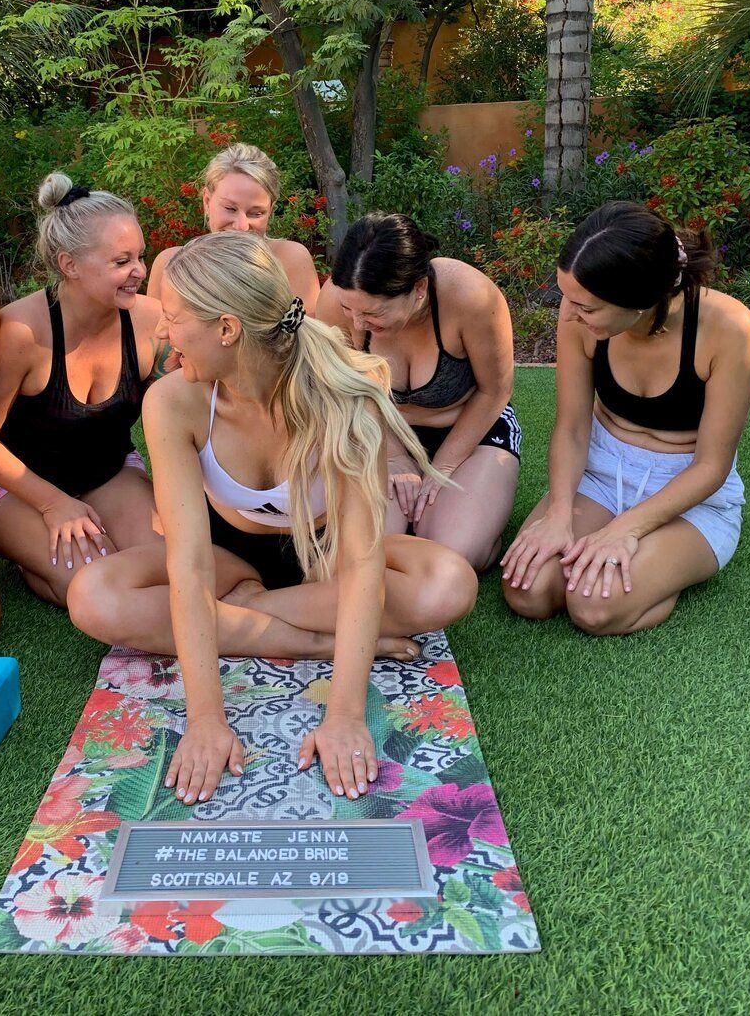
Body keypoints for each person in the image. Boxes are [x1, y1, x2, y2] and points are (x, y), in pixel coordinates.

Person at [67, 231, 477, 805]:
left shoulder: (348, 393)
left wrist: (344, 714)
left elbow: (361, 564)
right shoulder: (174, 401)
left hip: (325, 562)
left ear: (227, 329)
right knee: (93, 596)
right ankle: (310, 640)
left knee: (449, 584)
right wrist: (207, 720)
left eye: (175, 318)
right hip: (231, 559)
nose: (161, 331)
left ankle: (254, 620)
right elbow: (188, 566)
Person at [502, 201, 750, 634]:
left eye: (585, 306)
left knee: (592, 607)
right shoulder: (580, 321)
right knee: (528, 590)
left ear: (641, 301)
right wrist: (559, 514)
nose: (567, 314)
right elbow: (571, 428)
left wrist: (628, 529)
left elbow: (712, 466)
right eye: (566, 297)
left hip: (691, 498)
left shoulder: (729, 329)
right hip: (601, 474)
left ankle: (663, 573)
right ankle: (629, 560)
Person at [0, 174, 172, 608]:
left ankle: (51, 556)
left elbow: (177, 406)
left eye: (140, 256)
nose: (139, 271)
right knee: (95, 584)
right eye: (122, 261)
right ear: (69, 265)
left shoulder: (150, 321)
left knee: (164, 567)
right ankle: (40, 564)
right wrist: (52, 505)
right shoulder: (21, 332)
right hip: (18, 486)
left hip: (107, 470)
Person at [317, 214, 519, 571]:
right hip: (380, 430)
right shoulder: (338, 300)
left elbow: (495, 390)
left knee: (450, 553)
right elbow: (345, 390)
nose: (357, 324)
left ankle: (483, 531)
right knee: (370, 550)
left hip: (471, 427)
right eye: (350, 309)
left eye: (373, 313)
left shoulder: (470, 296)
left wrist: (441, 468)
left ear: (419, 290)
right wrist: (393, 456)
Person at [146, 142, 320, 313]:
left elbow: (308, 338)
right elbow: (156, 339)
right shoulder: (170, 266)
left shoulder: (291, 260)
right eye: (230, 209)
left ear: (271, 210)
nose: (242, 226)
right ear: (207, 201)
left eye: (256, 213)